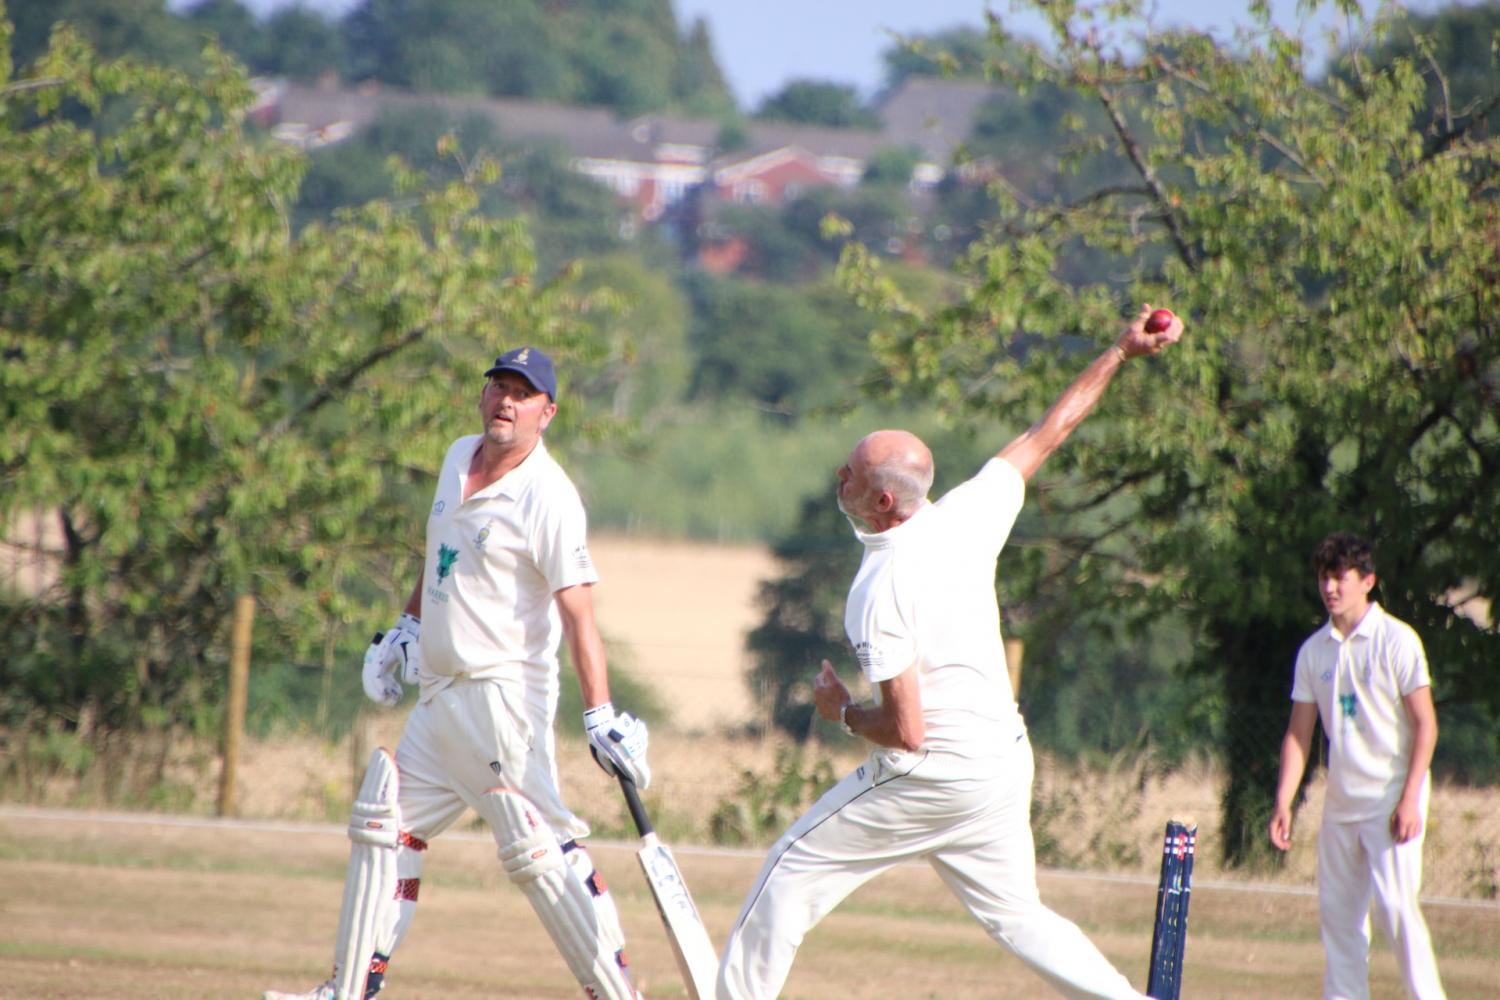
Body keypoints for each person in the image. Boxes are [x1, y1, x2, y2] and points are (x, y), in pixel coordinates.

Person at [716, 306, 1183, 1000]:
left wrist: (842, 713)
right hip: (1001, 763)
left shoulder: (878, 589)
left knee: (789, 872)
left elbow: (907, 733)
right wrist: (1120, 350)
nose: (838, 474)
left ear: (881, 500)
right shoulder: (968, 513)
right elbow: (1049, 431)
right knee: (1020, 917)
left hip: (934, 775)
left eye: (851, 472)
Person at [264, 346, 652, 1000]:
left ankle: (616, 994)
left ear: (547, 413)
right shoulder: (456, 457)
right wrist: (405, 627)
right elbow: (440, 553)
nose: (506, 401)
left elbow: (580, 614)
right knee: (385, 827)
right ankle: (348, 989)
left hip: (503, 702)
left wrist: (599, 713)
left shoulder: (549, 496)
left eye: (523, 394)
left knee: (542, 852)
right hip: (439, 696)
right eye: (499, 386)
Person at [1268, 531, 1445, 1000]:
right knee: (1340, 920)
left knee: (1396, 911)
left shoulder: (1396, 640)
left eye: (1340, 577)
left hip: (1391, 797)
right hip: (1341, 803)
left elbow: (1426, 725)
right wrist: (1284, 801)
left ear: (1367, 581)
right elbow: (1299, 734)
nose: (1330, 588)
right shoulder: (1314, 651)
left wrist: (1410, 799)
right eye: (1324, 578)